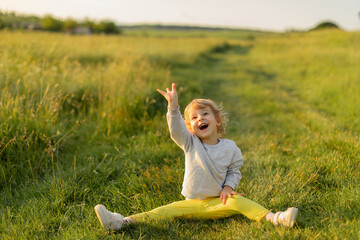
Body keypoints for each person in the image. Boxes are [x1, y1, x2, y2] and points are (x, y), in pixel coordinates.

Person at [94, 83, 298, 231]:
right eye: (194, 117)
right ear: (190, 127)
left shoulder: (231, 148)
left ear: (217, 121)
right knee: (163, 211)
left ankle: (277, 218)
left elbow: (234, 171)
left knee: (241, 203)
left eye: (205, 114)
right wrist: (173, 108)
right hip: (192, 202)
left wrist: (228, 188)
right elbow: (175, 130)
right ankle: (120, 221)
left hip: (219, 201)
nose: (200, 118)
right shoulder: (190, 143)